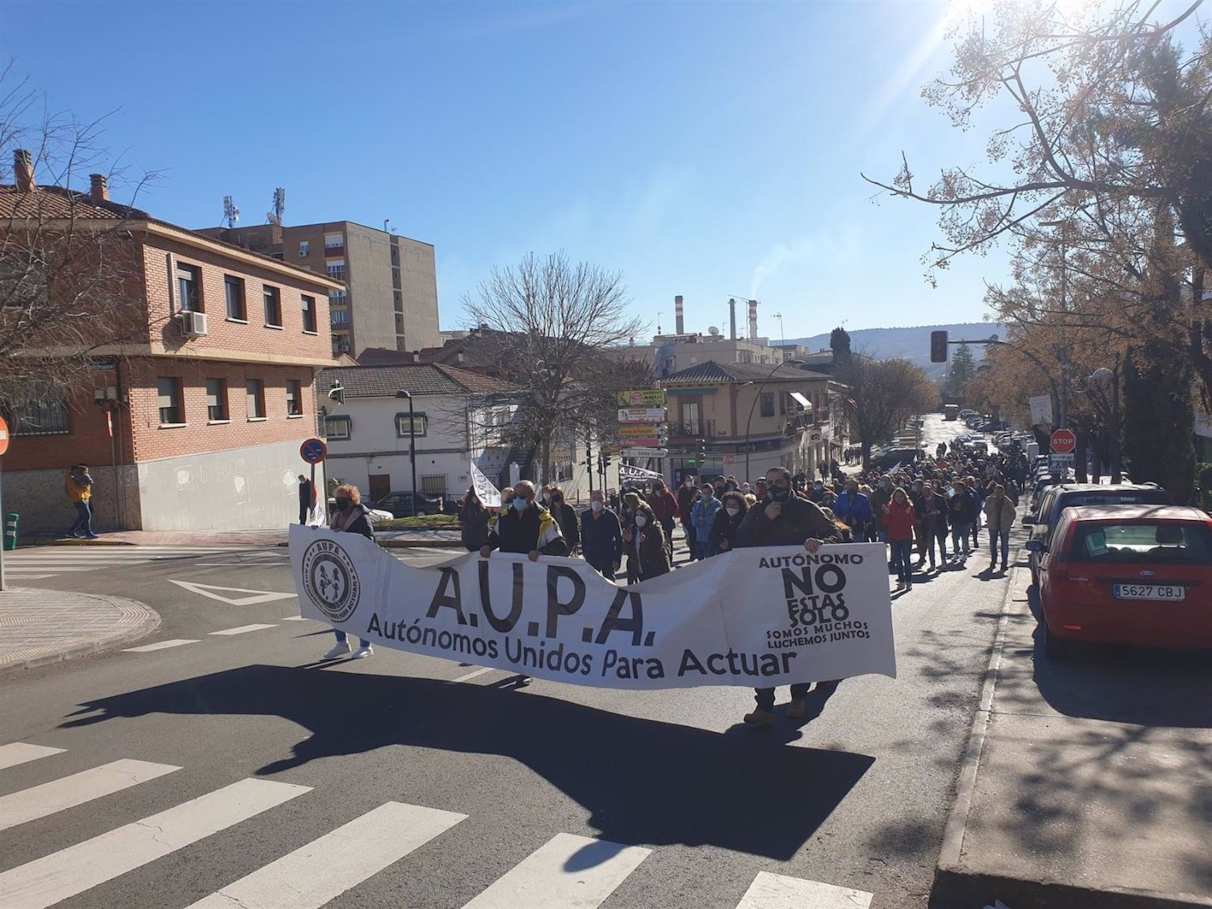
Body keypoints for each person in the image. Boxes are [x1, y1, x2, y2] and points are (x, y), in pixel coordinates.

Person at [737, 467, 842, 726]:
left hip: (800, 592)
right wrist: (765, 520)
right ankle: (763, 706)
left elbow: (836, 535)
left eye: (779, 481)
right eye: (770, 482)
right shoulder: (757, 511)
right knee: (766, 648)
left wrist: (821, 543)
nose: (774, 486)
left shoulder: (807, 509)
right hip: (765, 591)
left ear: (789, 483)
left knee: (800, 645)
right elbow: (740, 542)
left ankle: (798, 697)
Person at [323, 484, 375, 659]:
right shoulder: (337, 515)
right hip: (340, 567)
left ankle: (366, 645)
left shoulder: (361, 517)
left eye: (342, 499)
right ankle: (341, 642)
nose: (338, 503)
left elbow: (370, 541)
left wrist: (347, 538)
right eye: (337, 499)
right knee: (336, 605)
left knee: (360, 607)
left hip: (359, 567)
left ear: (351, 500)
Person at [480, 480, 567, 559]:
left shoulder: (544, 519)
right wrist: (487, 546)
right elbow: (495, 537)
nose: (517, 499)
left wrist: (541, 552)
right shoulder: (504, 516)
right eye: (514, 496)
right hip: (507, 571)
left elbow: (560, 545)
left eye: (521, 496)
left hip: (532, 571)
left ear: (532, 496)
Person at [622, 501, 671, 580]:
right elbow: (629, 553)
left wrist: (644, 543)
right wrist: (628, 541)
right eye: (637, 515)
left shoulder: (654, 529)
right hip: (640, 571)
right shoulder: (633, 530)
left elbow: (656, 551)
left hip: (655, 571)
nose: (639, 517)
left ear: (648, 517)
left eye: (642, 515)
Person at [581, 490, 623, 578]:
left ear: (604, 501)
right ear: (590, 500)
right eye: (594, 498)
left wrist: (617, 559)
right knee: (591, 582)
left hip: (607, 556)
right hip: (591, 556)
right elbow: (583, 535)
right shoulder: (585, 516)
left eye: (599, 499)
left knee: (609, 583)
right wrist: (584, 552)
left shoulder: (611, 517)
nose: (596, 501)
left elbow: (619, 539)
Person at [885, 487, 917, 590]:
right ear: (893, 497)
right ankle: (901, 581)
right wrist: (886, 514)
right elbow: (886, 522)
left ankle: (909, 581)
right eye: (897, 496)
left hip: (906, 536)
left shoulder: (909, 506)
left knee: (906, 559)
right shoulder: (890, 506)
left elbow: (911, 521)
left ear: (904, 497)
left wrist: (901, 514)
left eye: (901, 496)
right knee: (898, 560)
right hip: (894, 536)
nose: (899, 498)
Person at [983, 483, 1015, 572]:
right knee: (993, 545)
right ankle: (993, 561)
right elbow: (985, 510)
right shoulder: (989, 500)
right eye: (996, 492)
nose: (998, 494)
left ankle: (1004, 562)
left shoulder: (1008, 501)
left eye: (1000, 492)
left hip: (1004, 526)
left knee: (1004, 545)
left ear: (1003, 492)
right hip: (993, 525)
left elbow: (1013, 514)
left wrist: (1009, 523)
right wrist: (993, 504)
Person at [921, 480, 949, 571]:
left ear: (931, 491)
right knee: (930, 546)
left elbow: (946, 510)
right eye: (924, 491)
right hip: (928, 526)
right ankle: (932, 564)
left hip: (939, 525)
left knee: (942, 544)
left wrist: (938, 512)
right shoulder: (920, 500)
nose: (926, 493)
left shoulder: (939, 498)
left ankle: (944, 562)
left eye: (928, 491)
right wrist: (923, 515)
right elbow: (918, 512)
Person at [648, 479, 679, 560]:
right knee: (658, 540)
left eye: (660, 488)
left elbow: (675, 506)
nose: (658, 491)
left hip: (667, 521)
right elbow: (649, 508)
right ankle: (661, 557)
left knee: (668, 539)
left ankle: (669, 555)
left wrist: (668, 515)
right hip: (657, 522)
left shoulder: (668, 495)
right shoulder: (652, 497)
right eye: (656, 489)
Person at [708, 491, 748, 555]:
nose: (731, 507)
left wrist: (730, 543)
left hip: (740, 553)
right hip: (721, 553)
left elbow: (746, 537)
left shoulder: (746, 518)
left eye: (734, 505)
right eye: (728, 504)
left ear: (741, 505)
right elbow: (713, 533)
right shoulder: (720, 515)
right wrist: (720, 541)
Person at [690, 482, 722, 561]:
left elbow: (714, 520)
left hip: (711, 537)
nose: (706, 494)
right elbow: (694, 521)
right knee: (700, 562)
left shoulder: (717, 504)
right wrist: (705, 519)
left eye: (708, 493)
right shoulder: (697, 504)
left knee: (711, 561)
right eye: (704, 493)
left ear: (712, 492)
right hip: (700, 537)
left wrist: (701, 519)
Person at [65, 465, 98, 539]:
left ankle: (71, 531)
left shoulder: (80, 477)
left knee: (82, 516)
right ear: (73, 471)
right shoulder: (71, 478)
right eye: (77, 471)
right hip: (79, 499)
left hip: (85, 497)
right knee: (86, 515)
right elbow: (76, 489)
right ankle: (87, 533)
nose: (78, 472)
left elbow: (87, 485)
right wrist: (84, 487)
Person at [548, 487, 580, 554]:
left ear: (561, 496)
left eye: (557, 495)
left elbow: (574, 525)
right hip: (555, 542)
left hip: (568, 541)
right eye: (553, 496)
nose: (555, 497)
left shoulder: (569, 508)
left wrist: (576, 541)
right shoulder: (549, 511)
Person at [459, 486, 490, 552]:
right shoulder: (472, 505)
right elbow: (476, 520)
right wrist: (487, 512)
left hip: (472, 538)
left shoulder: (473, 504)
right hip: (475, 538)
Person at [677, 476, 699, 560]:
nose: (689, 482)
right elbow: (681, 504)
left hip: (695, 516)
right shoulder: (682, 491)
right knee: (690, 536)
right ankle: (693, 552)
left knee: (694, 536)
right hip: (686, 516)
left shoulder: (696, 490)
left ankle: (694, 553)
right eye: (687, 480)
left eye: (690, 480)